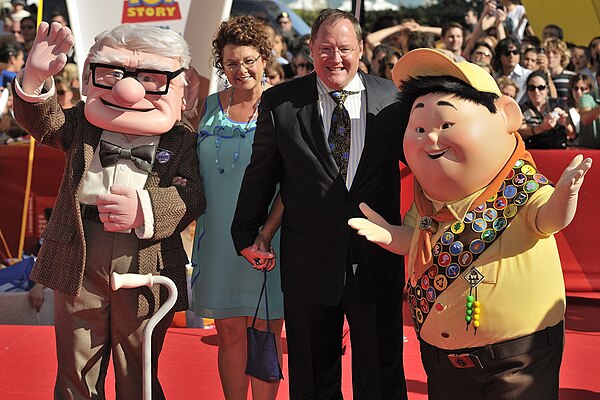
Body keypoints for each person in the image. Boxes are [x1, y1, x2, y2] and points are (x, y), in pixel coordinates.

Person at [349, 48, 592, 400]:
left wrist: (565, 194)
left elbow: (548, 219)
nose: (430, 138)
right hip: (440, 359)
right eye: (418, 128)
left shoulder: (519, 188)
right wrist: (390, 235)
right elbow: (415, 239)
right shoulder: (426, 202)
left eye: (446, 124)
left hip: (517, 360)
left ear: (506, 116)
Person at [12, 22, 205, 399]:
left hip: (147, 257)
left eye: (150, 78)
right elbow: (42, 123)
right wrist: (33, 79)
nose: (127, 88)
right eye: (113, 74)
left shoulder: (183, 140)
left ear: (178, 83)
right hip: (81, 250)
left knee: (139, 360)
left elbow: (195, 194)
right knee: (76, 362)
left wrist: (147, 208)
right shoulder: (82, 124)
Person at [231, 9, 407, 399]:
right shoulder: (281, 103)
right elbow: (262, 174)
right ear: (310, 50)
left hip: (375, 261)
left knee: (381, 376)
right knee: (312, 380)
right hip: (308, 264)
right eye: (325, 49)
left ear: (361, 49)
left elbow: (426, 168)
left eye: (344, 48)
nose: (335, 59)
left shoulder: (394, 102)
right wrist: (246, 233)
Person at [188, 15, 284, 400]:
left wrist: (265, 235)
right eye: (231, 63)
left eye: (248, 60)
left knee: (265, 335)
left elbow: (292, 183)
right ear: (221, 65)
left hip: (268, 242)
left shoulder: (283, 105)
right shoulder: (207, 106)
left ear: (265, 58)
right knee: (228, 335)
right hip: (217, 242)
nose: (240, 70)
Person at [519, 70, 573, 148]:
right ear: (527, 90)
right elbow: (520, 132)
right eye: (532, 88)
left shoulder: (559, 104)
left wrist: (564, 123)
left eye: (541, 87)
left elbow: (572, 134)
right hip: (533, 151)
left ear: (547, 89)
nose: (536, 91)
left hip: (558, 151)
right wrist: (541, 127)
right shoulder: (521, 109)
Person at [493, 37, 531, 103]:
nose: (511, 56)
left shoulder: (528, 75)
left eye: (515, 52)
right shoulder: (494, 76)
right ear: (499, 56)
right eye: (507, 53)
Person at [543, 37, 576, 102]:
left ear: (562, 56)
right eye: (548, 52)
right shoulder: (541, 76)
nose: (550, 56)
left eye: (555, 53)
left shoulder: (571, 77)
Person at [566, 73, 594, 144]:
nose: (578, 92)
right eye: (576, 88)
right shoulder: (567, 109)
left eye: (583, 89)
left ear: (589, 90)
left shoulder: (594, 110)